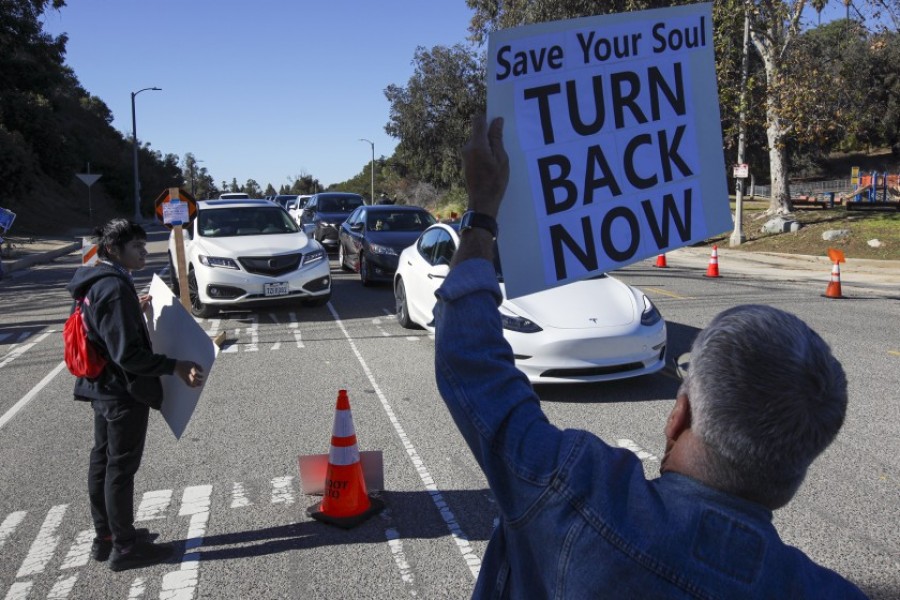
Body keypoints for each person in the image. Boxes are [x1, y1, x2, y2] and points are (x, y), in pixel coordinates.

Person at [433, 115, 865, 598]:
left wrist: (482, 213)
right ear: (797, 469)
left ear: (679, 416)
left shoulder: (573, 491)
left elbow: (469, 359)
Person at [66, 218, 205, 572]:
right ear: (113, 250)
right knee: (120, 468)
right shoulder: (112, 288)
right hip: (120, 391)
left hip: (103, 386)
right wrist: (175, 365)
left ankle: (108, 536)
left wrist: (134, 311)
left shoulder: (96, 278)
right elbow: (127, 354)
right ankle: (125, 548)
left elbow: (100, 328)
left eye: (145, 245)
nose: (145, 252)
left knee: (102, 460)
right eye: (137, 248)